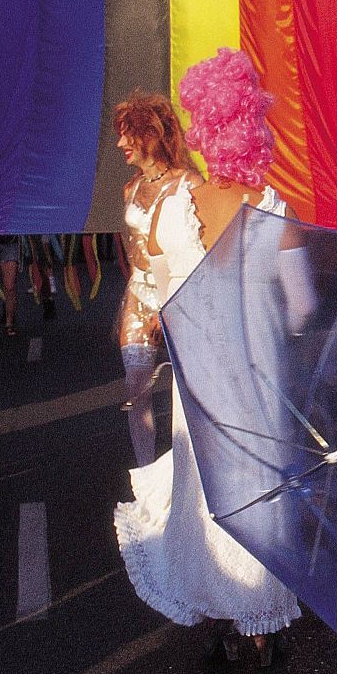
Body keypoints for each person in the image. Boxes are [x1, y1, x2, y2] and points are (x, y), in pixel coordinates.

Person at [113, 48, 301, 667]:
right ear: (255, 127)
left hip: (199, 372)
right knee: (260, 487)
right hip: (259, 369)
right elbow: (298, 308)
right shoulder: (272, 206)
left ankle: (220, 601)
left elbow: (161, 291)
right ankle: (259, 623)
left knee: (205, 486)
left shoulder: (173, 208)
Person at [114, 92, 199, 467]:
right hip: (139, 294)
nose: (120, 144)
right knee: (136, 387)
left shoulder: (189, 184)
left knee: (190, 390)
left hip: (180, 294)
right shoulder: (130, 188)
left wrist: (170, 306)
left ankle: (191, 471)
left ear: (150, 135)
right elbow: (133, 247)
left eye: (127, 135)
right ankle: (147, 472)